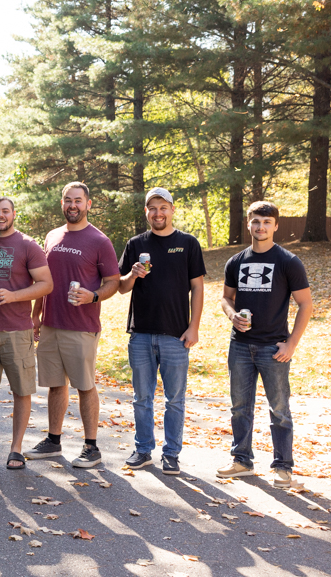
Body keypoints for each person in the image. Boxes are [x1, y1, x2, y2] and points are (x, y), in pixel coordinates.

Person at [25, 182, 120, 468]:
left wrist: (93, 296)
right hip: (51, 324)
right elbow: (44, 280)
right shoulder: (52, 236)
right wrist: (37, 314)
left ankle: (91, 447)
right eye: (68, 200)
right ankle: (53, 440)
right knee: (56, 385)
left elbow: (113, 281)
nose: (73, 205)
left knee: (85, 385)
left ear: (88, 204)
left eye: (78, 200)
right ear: (62, 203)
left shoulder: (99, 241)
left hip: (81, 326)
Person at [218, 201, 312, 488]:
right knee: (239, 407)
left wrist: (291, 344)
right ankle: (241, 461)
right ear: (248, 224)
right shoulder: (236, 261)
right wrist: (232, 315)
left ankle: (283, 468)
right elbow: (226, 298)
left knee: (279, 410)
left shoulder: (288, 261)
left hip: (274, 348)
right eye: (256, 221)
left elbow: (305, 304)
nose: (261, 227)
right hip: (240, 346)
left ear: (276, 225)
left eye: (267, 222)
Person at [117, 188, 205, 476]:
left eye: (163, 207)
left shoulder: (188, 243)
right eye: (152, 208)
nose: (158, 213)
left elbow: (197, 287)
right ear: (146, 211)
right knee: (142, 398)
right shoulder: (135, 243)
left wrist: (194, 327)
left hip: (175, 335)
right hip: (141, 333)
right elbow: (121, 287)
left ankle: (171, 454)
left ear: (172, 210)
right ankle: (143, 450)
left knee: (174, 400)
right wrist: (133, 274)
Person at [0, 197, 53, 470]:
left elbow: (46, 284)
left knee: (21, 391)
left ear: (14, 214)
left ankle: (16, 449)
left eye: (5, 211)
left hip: (18, 331)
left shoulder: (27, 245)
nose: (0, 215)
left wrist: (14, 296)